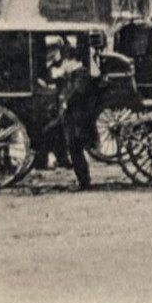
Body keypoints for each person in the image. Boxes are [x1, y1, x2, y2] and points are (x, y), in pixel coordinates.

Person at [45, 39, 98, 190]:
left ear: (72, 61)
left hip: (78, 120)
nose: (63, 65)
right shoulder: (75, 73)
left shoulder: (81, 74)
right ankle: (59, 159)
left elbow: (78, 92)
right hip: (70, 118)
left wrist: (66, 101)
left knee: (75, 149)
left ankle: (84, 182)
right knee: (51, 132)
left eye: (65, 62)